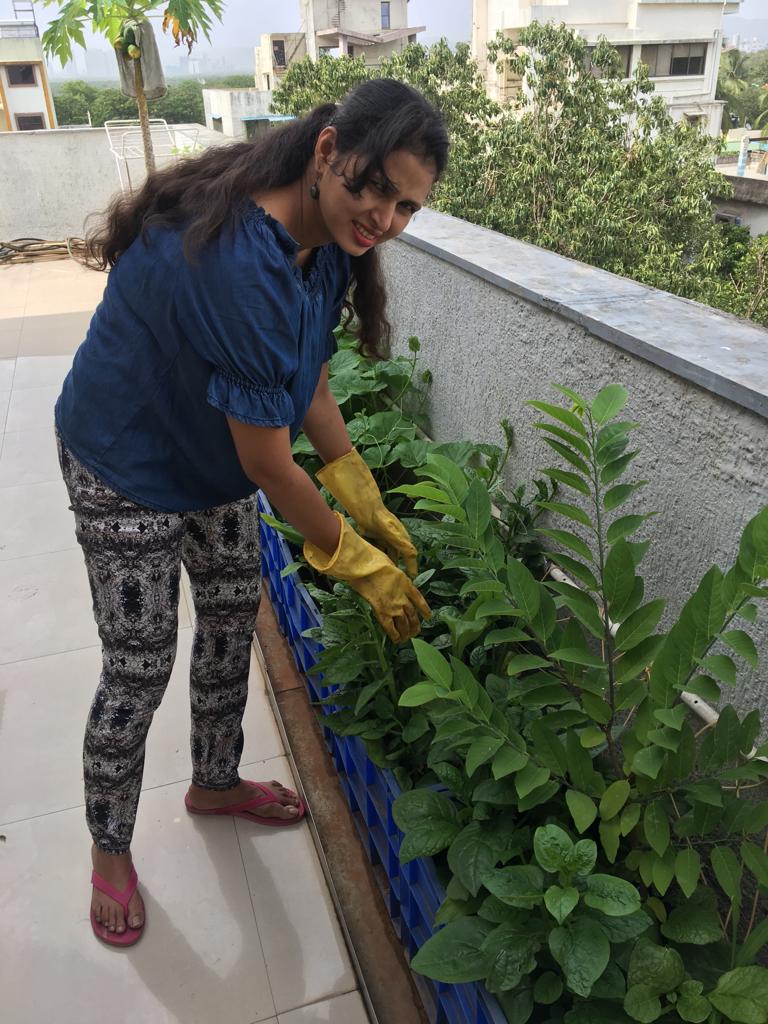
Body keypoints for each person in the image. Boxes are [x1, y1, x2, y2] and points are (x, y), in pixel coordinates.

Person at [55, 78, 448, 947]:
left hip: (211, 452)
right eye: (374, 187)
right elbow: (267, 462)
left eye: (407, 206)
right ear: (327, 149)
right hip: (123, 454)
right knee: (141, 662)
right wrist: (354, 556)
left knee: (232, 618)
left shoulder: (328, 241)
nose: (383, 217)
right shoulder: (242, 261)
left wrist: (355, 484)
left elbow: (303, 375)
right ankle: (110, 852)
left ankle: (215, 781)